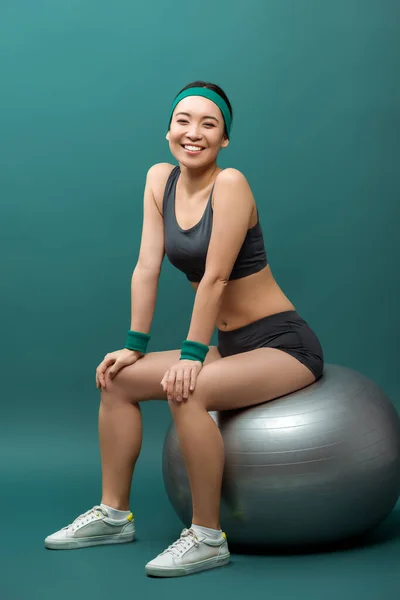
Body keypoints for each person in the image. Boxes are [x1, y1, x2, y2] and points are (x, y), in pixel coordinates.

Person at [44, 81, 324, 577]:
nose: (193, 133)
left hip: (282, 344)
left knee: (187, 392)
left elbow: (214, 276)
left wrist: (192, 357)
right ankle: (113, 516)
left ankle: (208, 537)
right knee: (116, 379)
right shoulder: (159, 180)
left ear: (224, 140)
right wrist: (134, 347)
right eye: (183, 121)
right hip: (234, 346)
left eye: (208, 124)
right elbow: (146, 267)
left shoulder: (232, 184)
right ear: (169, 129)